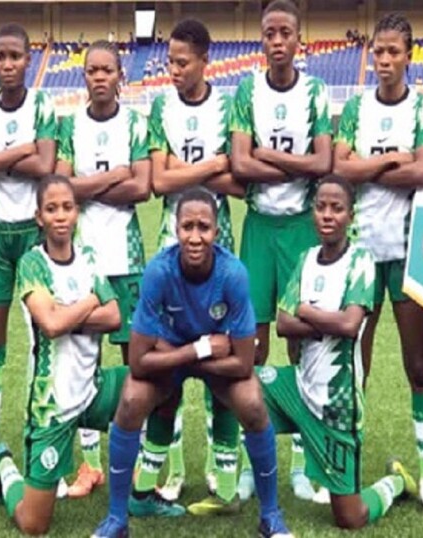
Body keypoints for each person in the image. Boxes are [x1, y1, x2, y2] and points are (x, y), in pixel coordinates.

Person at [91, 188, 293, 538]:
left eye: (204, 227)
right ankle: (116, 519)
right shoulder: (158, 271)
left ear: (216, 231)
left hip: (186, 358)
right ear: (175, 228)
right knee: (131, 399)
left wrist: (176, 357)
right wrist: (196, 352)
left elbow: (244, 364)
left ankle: (270, 516)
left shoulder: (233, 274)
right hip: (189, 357)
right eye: (187, 227)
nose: (195, 237)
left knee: (253, 403)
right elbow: (139, 363)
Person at [332, 12, 423, 517]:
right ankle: (349, 467)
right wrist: (389, 161)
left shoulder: (422, 108)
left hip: (407, 251)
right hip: (360, 254)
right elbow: (341, 170)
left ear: (408, 55)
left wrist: (368, 166)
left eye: (393, 52)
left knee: (418, 366)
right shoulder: (355, 107)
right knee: (356, 366)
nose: (383, 60)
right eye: (377, 51)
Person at [262, 174, 419, 529]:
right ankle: (254, 494)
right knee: (241, 388)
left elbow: (350, 327)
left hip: (338, 405)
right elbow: (283, 324)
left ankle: (394, 483)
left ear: (351, 214)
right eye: (320, 207)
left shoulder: (361, 261)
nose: (327, 215)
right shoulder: (305, 259)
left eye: (337, 208)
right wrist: (320, 321)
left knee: (350, 518)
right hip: (298, 387)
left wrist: (307, 311)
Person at [229, 0, 332, 502]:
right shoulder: (247, 90)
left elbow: (325, 162)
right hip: (259, 228)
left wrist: (267, 157)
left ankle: (301, 463)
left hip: (300, 230)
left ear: (298, 39)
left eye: (284, 32)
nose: (276, 41)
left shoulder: (317, 91)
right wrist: (294, 162)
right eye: (268, 32)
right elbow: (240, 166)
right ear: (262, 40)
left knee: (301, 345)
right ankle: (256, 462)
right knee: (252, 345)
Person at [0, 174, 125, 535]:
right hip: (52, 404)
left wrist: (70, 310)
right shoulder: (33, 264)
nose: (60, 216)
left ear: (77, 213)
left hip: (93, 389)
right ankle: (3, 467)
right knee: (34, 524)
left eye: (67, 207)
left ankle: (141, 488)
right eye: (51, 209)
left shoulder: (89, 256)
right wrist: (91, 299)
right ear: (39, 217)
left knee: (156, 385)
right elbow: (50, 324)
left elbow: (114, 316)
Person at [140, 18, 245, 505]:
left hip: (218, 251)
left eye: (182, 62)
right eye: (170, 62)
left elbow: (240, 181)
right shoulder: (161, 106)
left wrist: (187, 175)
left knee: (223, 361)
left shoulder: (227, 105)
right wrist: (211, 167)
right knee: (169, 361)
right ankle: (173, 472)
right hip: (170, 252)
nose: (174, 70)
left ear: (206, 61)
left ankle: (223, 476)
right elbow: (159, 183)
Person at [0, 22, 58, 498]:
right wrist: (23, 150)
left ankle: (43, 458)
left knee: (47, 349)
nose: (6, 64)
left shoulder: (43, 105)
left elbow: (46, 167)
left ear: (28, 59)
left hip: (36, 239)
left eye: (15, 56)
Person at [54, 40, 150, 498]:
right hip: (83, 262)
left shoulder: (134, 122)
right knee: (81, 363)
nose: (98, 77)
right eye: (91, 69)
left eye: (107, 70)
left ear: (119, 75)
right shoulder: (70, 125)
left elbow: (144, 187)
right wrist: (115, 175)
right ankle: (89, 465)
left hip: (127, 258)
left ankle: (130, 462)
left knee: (138, 364)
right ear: (84, 75)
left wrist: (88, 187)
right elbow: (64, 187)